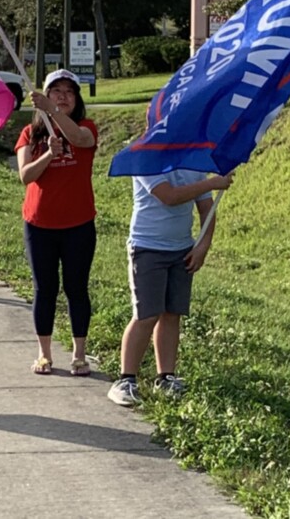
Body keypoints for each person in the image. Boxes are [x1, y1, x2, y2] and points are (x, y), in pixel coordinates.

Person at [107, 169, 233, 407]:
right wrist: (212, 183)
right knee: (146, 314)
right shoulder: (147, 157)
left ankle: (166, 376)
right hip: (147, 249)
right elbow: (169, 196)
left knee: (171, 313)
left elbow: (206, 208)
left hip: (182, 249)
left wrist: (202, 245)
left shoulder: (191, 162)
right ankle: (126, 379)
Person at [15, 69, 98, 376]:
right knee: (44, 289)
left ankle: (79, 354)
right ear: (45, 97)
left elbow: (78, 138)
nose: (63, 97)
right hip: (39, 225)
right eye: (55, 91)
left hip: (78, 224)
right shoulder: (30, 134)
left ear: (77, 100)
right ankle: (44, 353)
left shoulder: (86, 127)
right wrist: (49, 155)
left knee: (77, 288)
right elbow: (26, 176)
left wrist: (53, 114)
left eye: (69, 92)